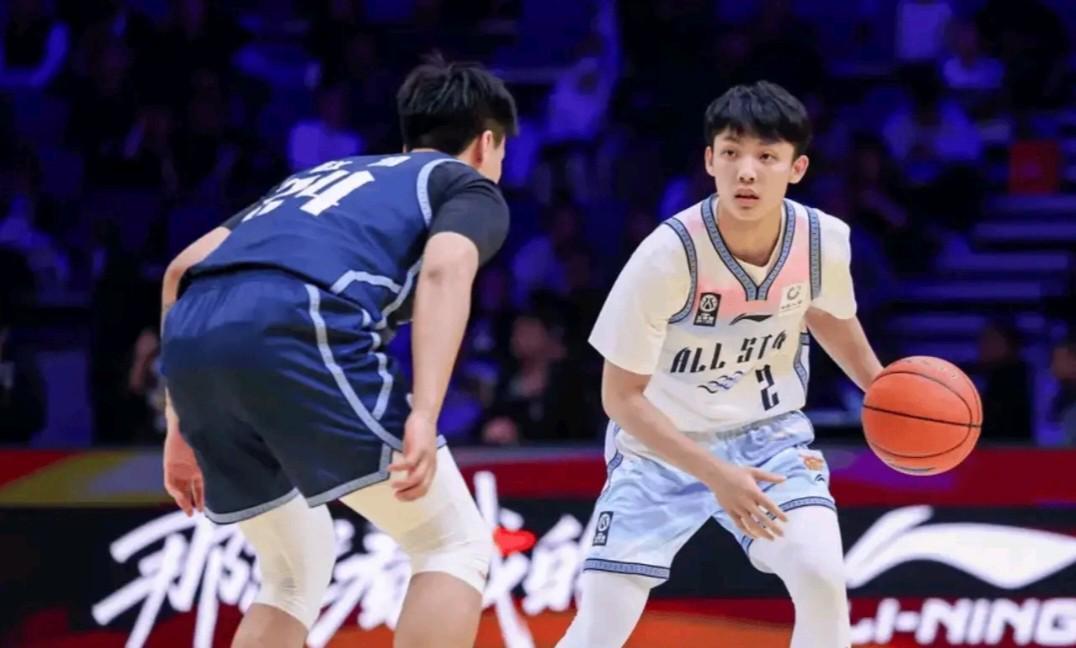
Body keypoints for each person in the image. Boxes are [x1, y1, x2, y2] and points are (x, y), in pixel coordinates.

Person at [159, 56, 517, 648]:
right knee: (452, 544)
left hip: (194, 338)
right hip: (295, 319)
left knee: (292, 572)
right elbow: (445, 269)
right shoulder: (464, 184)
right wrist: (425, 413)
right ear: (486, 143)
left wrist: (179, 426)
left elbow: (180, 270)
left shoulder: (321, 176)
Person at [557, 81, 884, 648]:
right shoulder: (666, 256)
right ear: (710, 160)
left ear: (797, 167)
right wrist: (715, 474)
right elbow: (620, 398)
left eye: (766, 156)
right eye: (731, 153)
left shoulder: (821, 241)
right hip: (661, 448)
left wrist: (882, 390)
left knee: (822, 578)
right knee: (601, 625)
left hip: (769, 439)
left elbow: (827, 313)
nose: (746, 172)